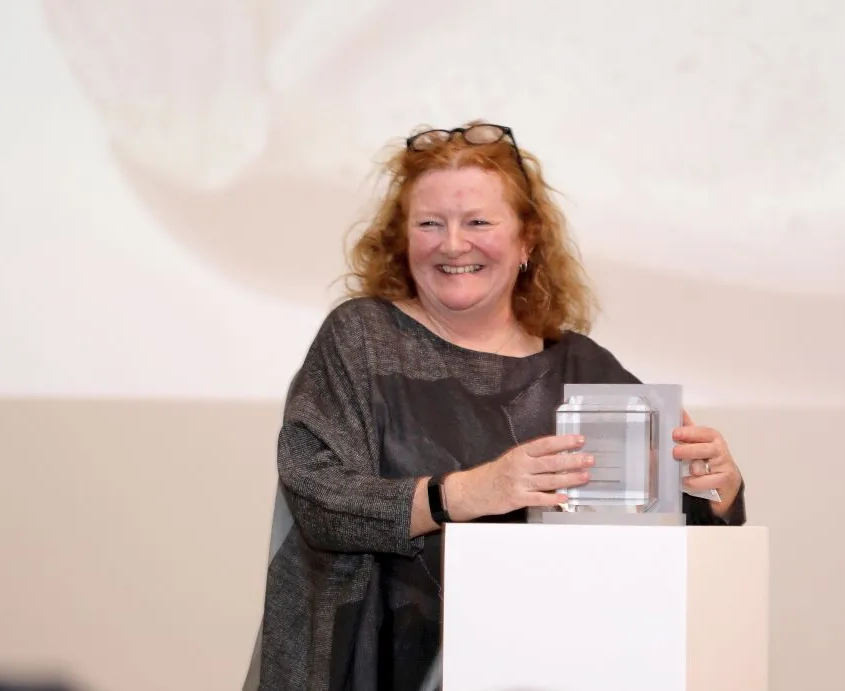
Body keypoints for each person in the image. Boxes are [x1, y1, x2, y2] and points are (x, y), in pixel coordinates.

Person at [243, 121, 746, 691]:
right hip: (370, 668)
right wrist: (471, 492)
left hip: (542, 669)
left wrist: (715, 489)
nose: (453, 244)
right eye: (429, 223)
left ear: (527, 240)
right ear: (403, 239)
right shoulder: (360, 339)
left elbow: (657, 544)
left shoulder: (582, 368)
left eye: (478, 222)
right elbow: (317, 495)